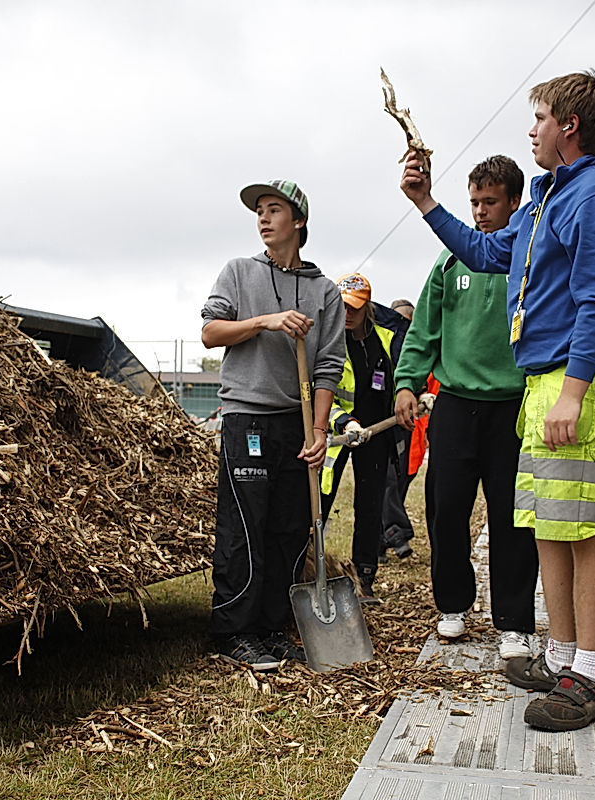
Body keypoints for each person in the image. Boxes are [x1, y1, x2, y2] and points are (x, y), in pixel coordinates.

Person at [400, 71, 595, 732]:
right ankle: (561, 658)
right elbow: (483, 250)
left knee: (583, 530)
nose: (530, 130)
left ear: (570, 124)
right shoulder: (542, 203)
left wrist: (573, 391)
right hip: (541, 386)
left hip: (575, 383)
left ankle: (588, 679)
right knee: (549, 530)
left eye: (538, 118)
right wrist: (425, 204)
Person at [394, 155, 540, 663]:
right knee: (446, 508)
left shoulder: (528, 256)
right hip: (455, 405)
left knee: (513, 518)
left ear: (514, 203)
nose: (479, 212)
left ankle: (515, 622)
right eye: (474, 202)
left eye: (490, 202)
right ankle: (453, 604)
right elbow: (423, 331)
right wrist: (407, 382)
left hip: (512, 406)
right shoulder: (449, 261)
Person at [201, 179, 346, 671]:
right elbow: (210, 333)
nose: (263, 218)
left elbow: (328, 366)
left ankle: (270, 626)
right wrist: (265, 321)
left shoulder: (325, 291)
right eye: (259, 211)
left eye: (274, 209)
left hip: (296, 422)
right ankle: (234, 631)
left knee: (288, 529)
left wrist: (319, 432)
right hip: (248, 418)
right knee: (245, 528)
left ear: (298, 221)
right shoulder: (239, 273)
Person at [319, 273, 409, 604]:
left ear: (367, 306)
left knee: (370, 505)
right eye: (342, 306)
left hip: (377, 431)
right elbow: (317, 388)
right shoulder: (327, 337)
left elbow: (403, 371)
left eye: (355, 308)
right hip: (337, 432)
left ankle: (365, 579)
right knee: (320, 501)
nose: (348, 314)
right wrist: (343, 421)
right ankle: (308, 573)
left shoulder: (387, 336)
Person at [379, 298, 419, 561]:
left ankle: (382, 540)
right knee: (387, 482)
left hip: (407, 426)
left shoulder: (414, 348)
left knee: (398, 480)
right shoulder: (382, 341)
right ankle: (395, 533)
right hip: (379, 424)